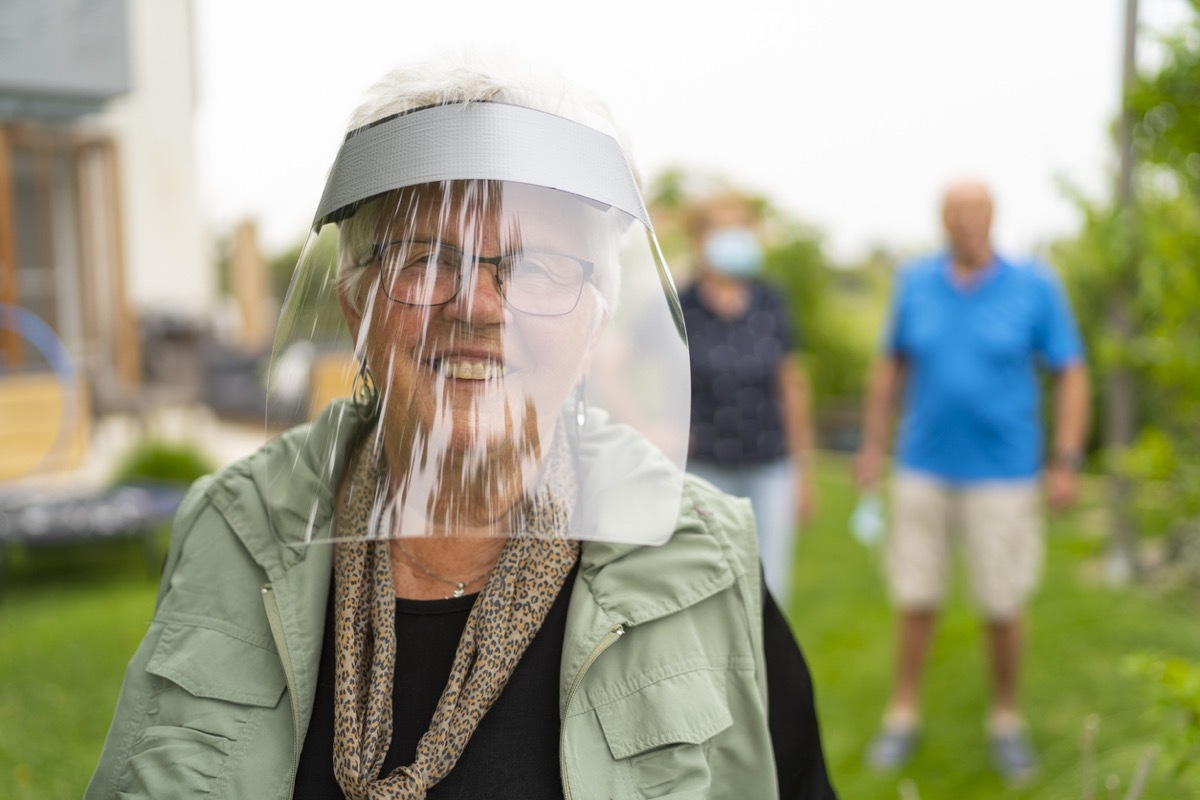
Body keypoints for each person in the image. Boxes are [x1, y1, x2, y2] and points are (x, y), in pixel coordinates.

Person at [86, 56, 836, 799]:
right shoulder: (233, 527)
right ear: (357, 307)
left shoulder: (699, 551)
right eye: (425, 259)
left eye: (537, 265)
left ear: (594, 320)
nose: (479, 307)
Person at [854, 179, 1089, 782]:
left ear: (993, 217)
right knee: (914, 596)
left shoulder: (1034, 287)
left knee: (1003, 602)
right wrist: (873, 445)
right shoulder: (915, 283)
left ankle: (1006, 718)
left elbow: (1070, 371)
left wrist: (1065, 458)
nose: (966, 222)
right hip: (922, 469)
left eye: (976, 211)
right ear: (942, 220)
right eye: (955, 212)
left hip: (1005, 476)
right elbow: (891, 365)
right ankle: (901, 712)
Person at [679, 191, 818, 610]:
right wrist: (656, 428)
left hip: (768, 466)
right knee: (705, 590)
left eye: (740, 228)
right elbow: (618, 361)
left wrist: (803, 470)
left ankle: (763, 676)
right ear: (700, 238)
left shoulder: (770, 300)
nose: (733, 238)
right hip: (704, 470)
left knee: (768, 591)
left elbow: (790, 383)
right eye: (722, 229)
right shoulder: (681, 303)